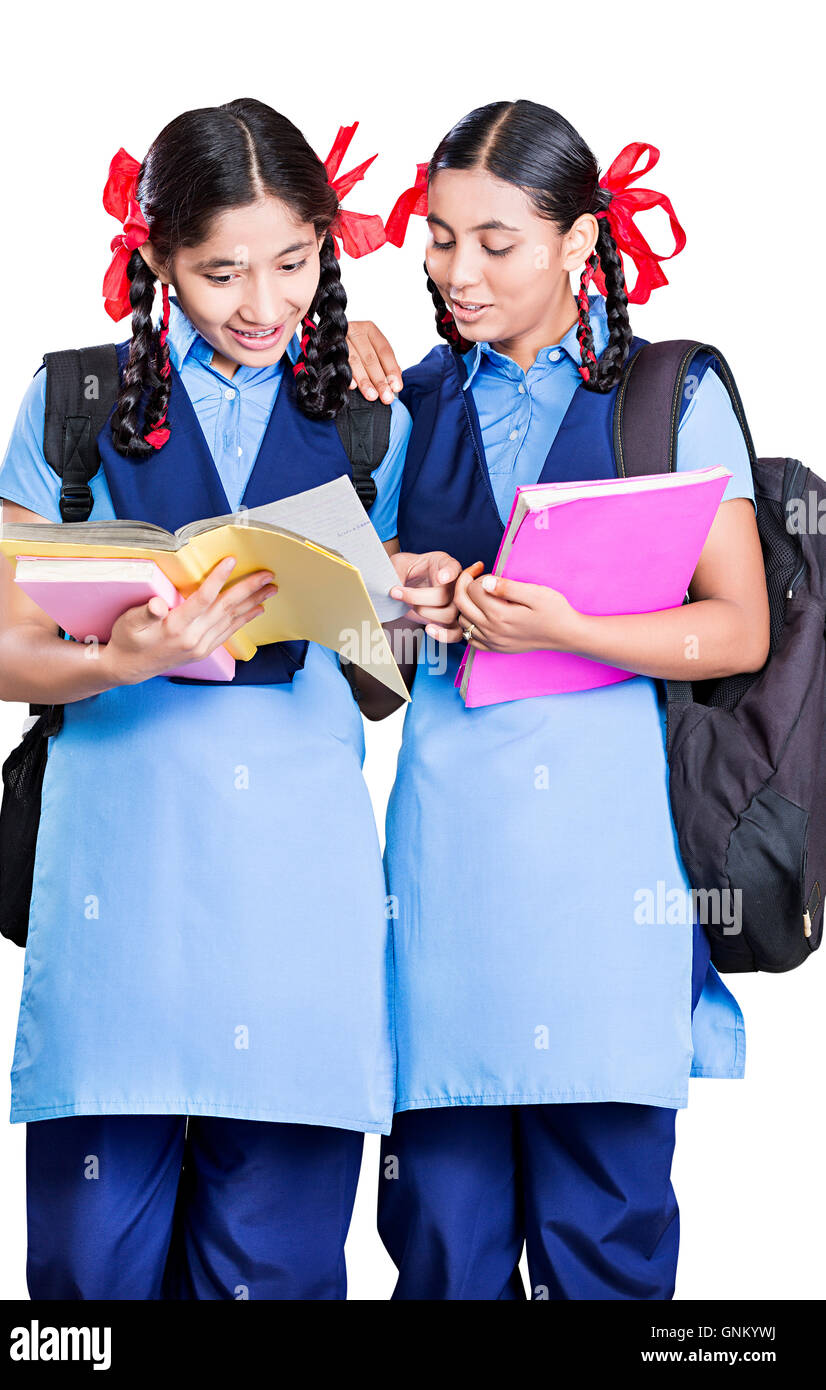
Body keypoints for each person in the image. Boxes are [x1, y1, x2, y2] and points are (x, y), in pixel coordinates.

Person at [0, 98, 411, 1301]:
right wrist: (120, 659)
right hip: (121, 890)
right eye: (222, 272)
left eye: (293, 263)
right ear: (159, 262)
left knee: (273, 1268)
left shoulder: (369, 413)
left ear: (328, 249)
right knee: (85, 1271)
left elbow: (386, 685)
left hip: (298, 901)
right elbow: (9, 654)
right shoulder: (71, 402)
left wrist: (386, 603)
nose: (265, 305)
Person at [347, 99, 769, 1300]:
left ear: (580, 241)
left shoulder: (665, 396)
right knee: (440, 1246)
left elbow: (736, 624)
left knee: (609, 1245)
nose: (454, 271)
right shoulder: (407, 407)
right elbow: (360, 672)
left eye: (495, 242)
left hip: (608, 894)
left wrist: (575, 628)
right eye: (436, 238)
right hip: (444, 888)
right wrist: (396, 600)